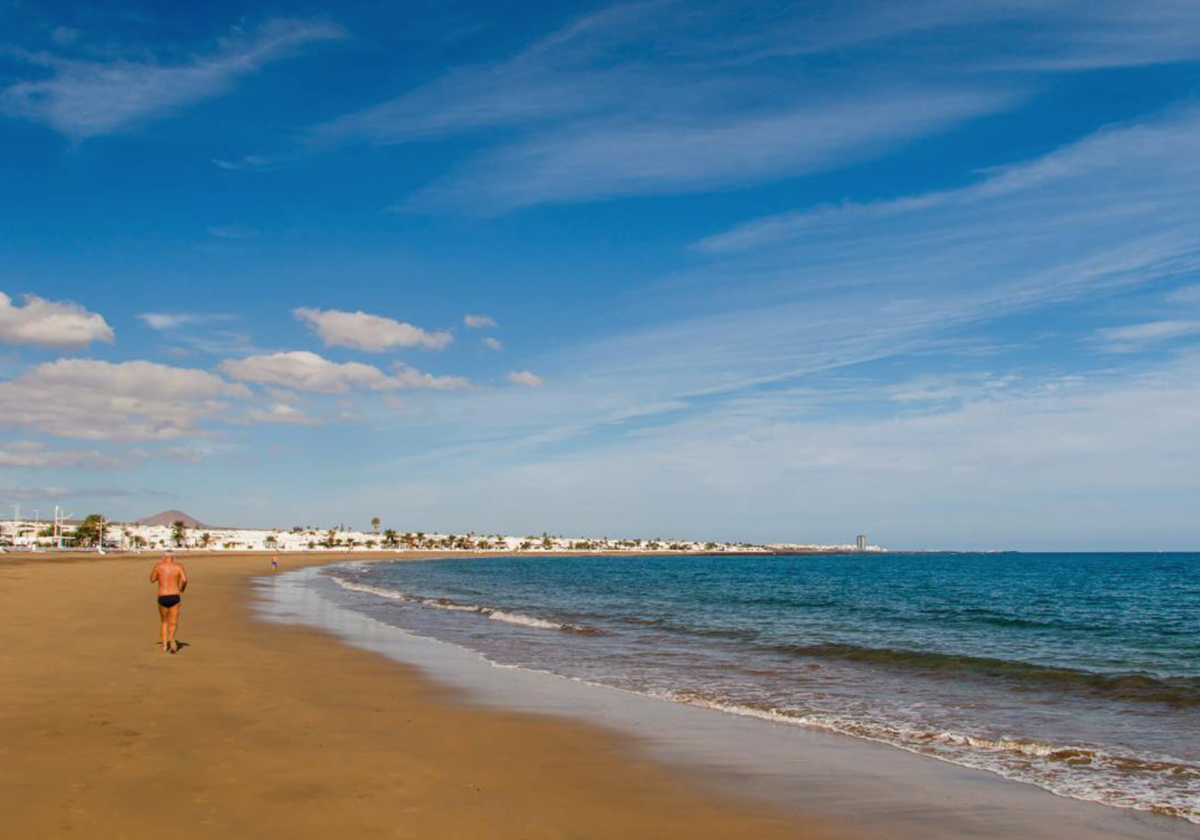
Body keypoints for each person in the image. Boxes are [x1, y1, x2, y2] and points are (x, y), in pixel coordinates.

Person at [150, 553, 188, 654]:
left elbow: (152, 579)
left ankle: (164, 645)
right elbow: (184, 580)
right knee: (173, 622)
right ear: (172, 558)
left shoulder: (158, 566)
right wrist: (182, 588)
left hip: (162, 596)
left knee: (164, 622)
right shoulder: (178, 566)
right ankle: (171, 638)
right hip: (175, 596)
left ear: (163, 557)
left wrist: (159, 575)